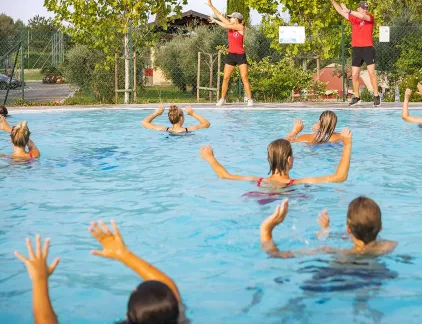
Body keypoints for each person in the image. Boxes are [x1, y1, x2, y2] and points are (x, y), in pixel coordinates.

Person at [14, 221, 182, 324]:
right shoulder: (176, 323)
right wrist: (123, 254)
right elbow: (168, 287)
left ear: (129, 316)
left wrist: (39, 279)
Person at [199, 129, 353, 187]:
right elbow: (339, 177)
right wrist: (347, 145)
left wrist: (211, 158)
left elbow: (225, 175)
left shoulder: (257, 181)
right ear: (289, 160)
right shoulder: (298, 183)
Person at [260, 196, 396, 257]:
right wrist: (326, 232)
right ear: (381, 227)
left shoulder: (330, 251)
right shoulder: (389, 246)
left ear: (348, 229)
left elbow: (275, 254)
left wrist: (266, 230)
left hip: (339, 274)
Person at [328, 0, 380, 107]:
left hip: (367, 49)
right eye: (363, 8)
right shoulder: (354, 19)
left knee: (371, 73)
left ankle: (376, 96)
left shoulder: (369, 17)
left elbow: (361, 16)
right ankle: (357, 97)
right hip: (357, 49)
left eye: (366, 8)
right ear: (359, 8)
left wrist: (350, 11)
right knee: (355, 75)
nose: (365, 10)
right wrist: (332, 1)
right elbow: (341, 11)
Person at [206, 0, 254, 107]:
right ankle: (222, 99)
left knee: (244, 77)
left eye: (231, 18)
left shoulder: (240, 27)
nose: (230, 19)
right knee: (226, 77)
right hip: (231, 55)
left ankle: (250, 99)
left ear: (236, 19)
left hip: (241, 56)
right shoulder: (230, 25)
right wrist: (211, 5)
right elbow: (219, 15)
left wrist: (215, 21)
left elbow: (224, 24)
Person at [141, 105, 210, 133]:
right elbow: (206, 124)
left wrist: (157, 113)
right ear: (181, 118)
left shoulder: (164, 130)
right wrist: (193, 113)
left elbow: (144, 122)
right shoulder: (189, 129)